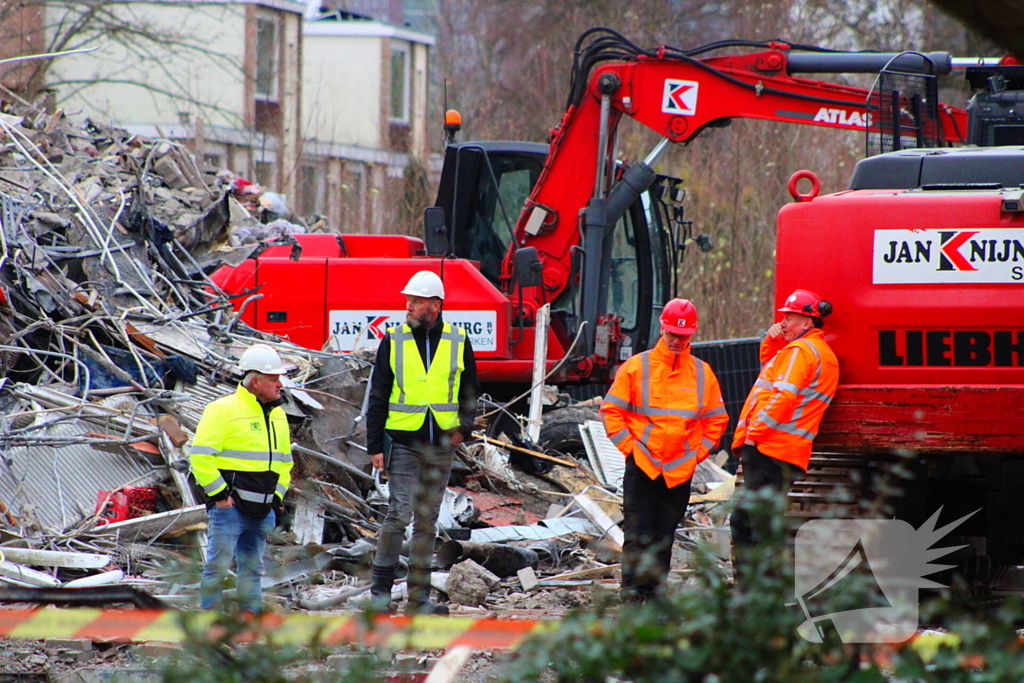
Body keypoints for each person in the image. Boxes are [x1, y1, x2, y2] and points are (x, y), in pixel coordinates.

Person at [365, 270, 479, 614]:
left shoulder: (458, 340)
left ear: (435, 305)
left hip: (442, 444)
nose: (408, 306)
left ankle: (419, 600)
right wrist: (374, 446)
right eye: (408, 300)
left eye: (415, 301)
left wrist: (465, 428)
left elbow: (469, 389)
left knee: (428, 521)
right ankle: (380, 597)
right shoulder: (394, 339)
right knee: (398, 515)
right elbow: (379, 393)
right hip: (404, 442)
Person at [600, 298, 729, 602]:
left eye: (682, 336)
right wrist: (630, 448)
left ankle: (654, 595)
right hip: (642, 465)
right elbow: (611, 411)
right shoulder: (638, 366)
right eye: (671, 334)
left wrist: (697, 453)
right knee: (637, 535)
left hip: (678, 470)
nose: (676, 340)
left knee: (663, 537)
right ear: (662, 328)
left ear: (692, 334)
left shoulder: (701, 373)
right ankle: (633, 598)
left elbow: (716, 420)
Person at [729, 289, 839, 576]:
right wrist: (773, 339)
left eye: (790, 318)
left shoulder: (801, 352)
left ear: (807, 323)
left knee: (751, 523)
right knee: (752, 520)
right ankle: (759, 594)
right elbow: (770, 369)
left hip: (769, 447)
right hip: (783, 451)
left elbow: (783, 395)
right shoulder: (815, 353)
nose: (784, 323)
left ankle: (757, 595)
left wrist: (755, 431)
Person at [189, 343, 293, 613]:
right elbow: (200, 457)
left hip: (263, 509)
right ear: (256, 381)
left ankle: (250, 622)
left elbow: (285, 463)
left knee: (252, 569)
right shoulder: (223, 409)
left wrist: (276, 499)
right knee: (217, 568)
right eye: (274, 379)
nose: (279, 384)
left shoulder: (278, 415)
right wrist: (221, 497)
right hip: (230, 510)